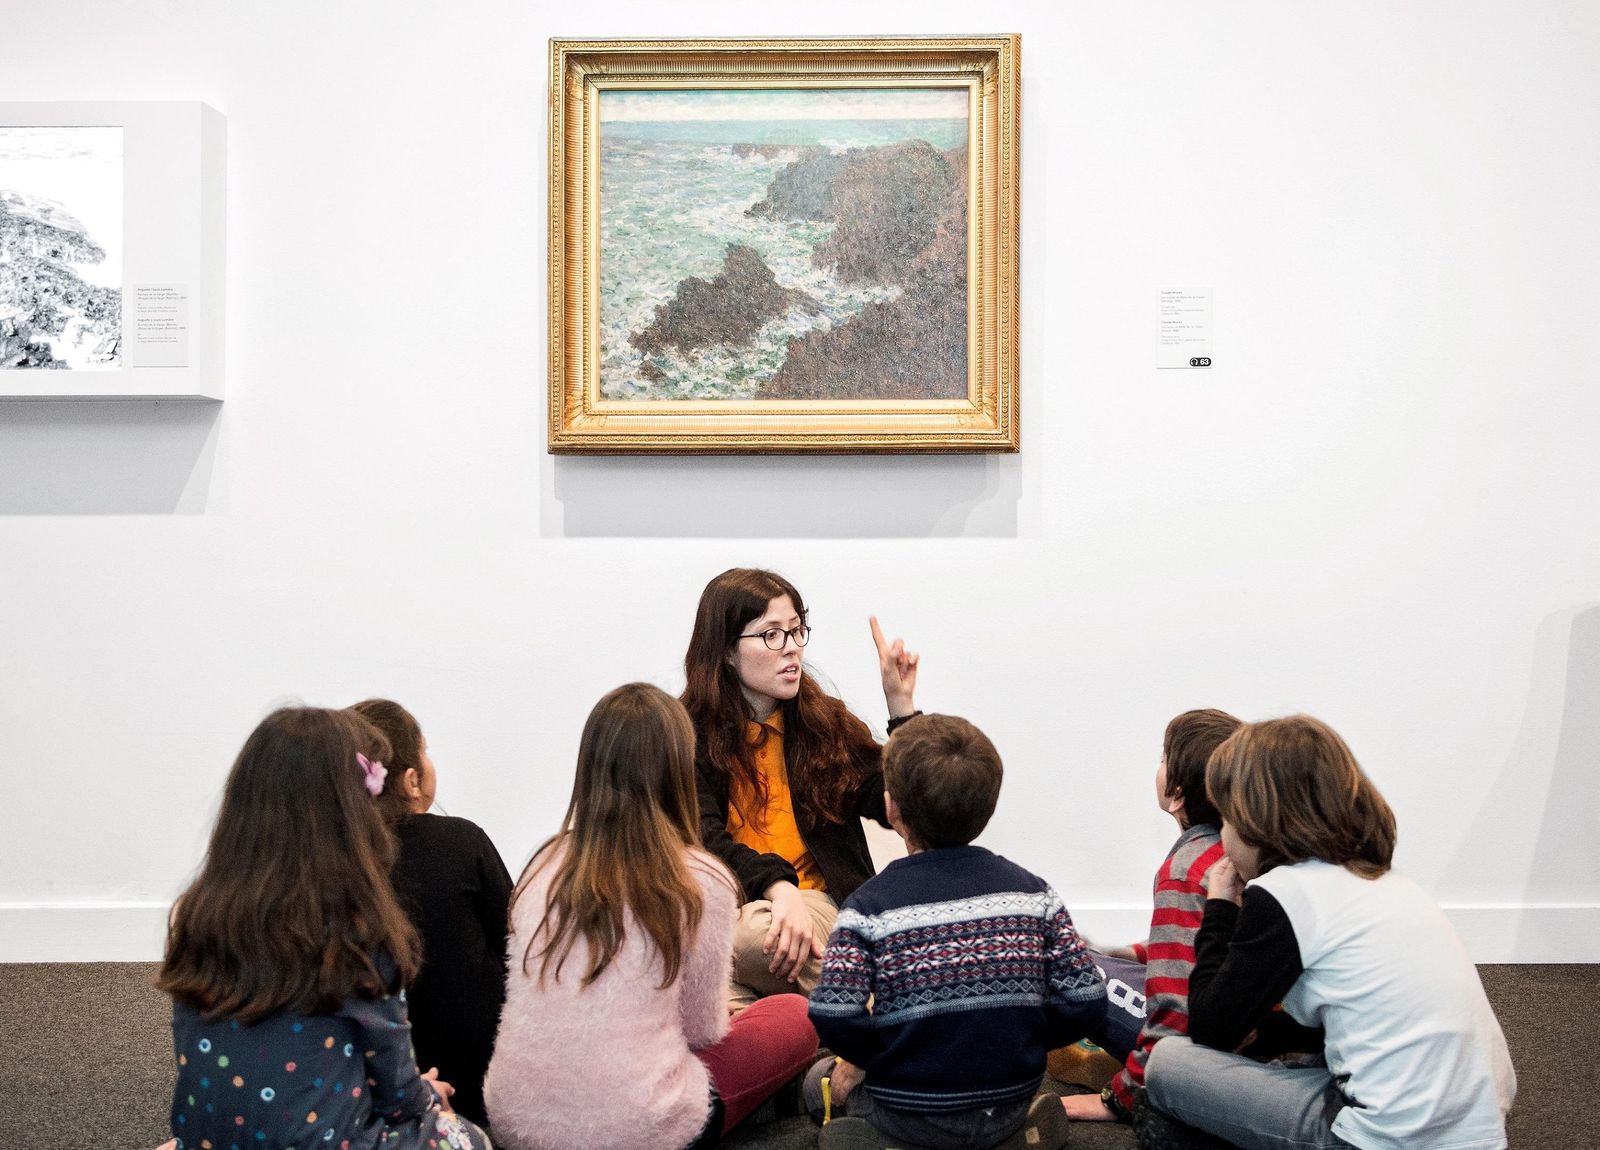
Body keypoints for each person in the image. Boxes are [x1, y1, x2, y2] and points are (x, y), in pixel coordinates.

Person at [1143, 715, 1517, 1150]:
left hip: (1377, 1139)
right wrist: (1267, 1034)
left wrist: (1221, 906)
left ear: (1252, 820)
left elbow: (1210, 1028)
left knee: (1167, 1067)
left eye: (1226, 819)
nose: (1222, 837)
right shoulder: (1386, 883)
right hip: (1479, 1126)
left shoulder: (1283, 894)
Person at [484, 683, 819, 1150]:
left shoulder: (541, 865)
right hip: (638, 1129)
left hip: (514, 1119)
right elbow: (703, 1031)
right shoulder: (702, 878)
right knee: (794, 1012)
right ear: (678, 770)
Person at [157, 707, 489, 1150]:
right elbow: (398, 1098)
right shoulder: (359, 931)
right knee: (468, 1138)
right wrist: (434, 1097)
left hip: (210, 1138)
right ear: (354, 814)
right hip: (329, 1141)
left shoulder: (195, 916)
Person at [804, 714, 1106, 1150]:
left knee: (818, 1083)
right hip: (1007, 1101)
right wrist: (1025, 1037)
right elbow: (1087, 1001)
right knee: (1008, 1108)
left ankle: (882, 1140)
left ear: (891, 809)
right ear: (988, 805)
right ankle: (1018, 1135)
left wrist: (878, 1056)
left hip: (909, 1110)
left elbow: (833, 1013)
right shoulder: (1035, 895)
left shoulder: (867, 908)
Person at [682, 567, 921, 1009]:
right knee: (722, 978)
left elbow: (902, 799)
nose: (792, 648)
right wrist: (777, 887)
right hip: (735, 908)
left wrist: (901, 709)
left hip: (817, 909)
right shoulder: (685, 736)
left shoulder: (822, 724)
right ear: (726, 652)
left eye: (796, 630)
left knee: (744, 944)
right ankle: (839, 1044)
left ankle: (880, 1024)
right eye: (771, 634)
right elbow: (701, 841)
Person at [1064, 708, 1241, 1124]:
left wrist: (1122, 1098)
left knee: (1065, 966)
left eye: (1163, 757)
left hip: (1197, 1056)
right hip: (1236, 1034)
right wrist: (1126, 953)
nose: (1157, 766)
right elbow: (1199, 946)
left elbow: (1173, 1008)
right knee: (1096, 958)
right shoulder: (1231, 854)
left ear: (1178, 792)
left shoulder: (1186, 869)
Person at [349, 698, 512, 1129]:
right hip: (481, 1081)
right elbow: (517, 943)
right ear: (410, 780)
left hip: (372, 1091)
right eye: (425, 751)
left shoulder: (335, 864)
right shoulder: (462, 840)